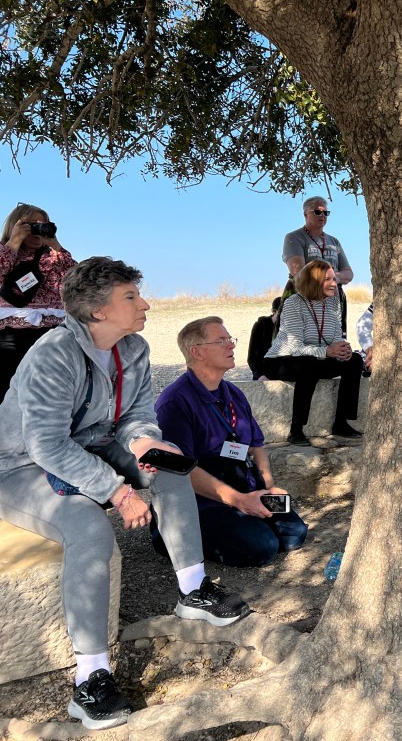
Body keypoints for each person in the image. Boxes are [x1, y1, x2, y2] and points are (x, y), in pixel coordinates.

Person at [0, 257, 249, 731]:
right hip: (19, 465)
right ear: (97, 311)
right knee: (89, 530)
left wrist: (144, 442)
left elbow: (135, 415)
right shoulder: (53, 354)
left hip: (92, 445)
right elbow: (46, 443)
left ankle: (193, 590)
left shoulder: (133, 348)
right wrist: (117, 491)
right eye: (131, 298)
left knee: (171, 469)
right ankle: (91, 679)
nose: (146, 304)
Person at [155, 316, 308, 566]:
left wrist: (268, 487)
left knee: (294, 534)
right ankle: (167, 533)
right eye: (222, 340)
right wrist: (239, 501)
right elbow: (181, 469)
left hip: (244, 482)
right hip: (203, 495)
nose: (232, 345)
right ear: (197, 352)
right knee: (263, 547)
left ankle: (246, 517)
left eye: (230, 339)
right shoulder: (175, 402)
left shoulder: (233, 392)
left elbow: (256, 444)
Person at [263, 259, 364, 445]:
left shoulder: (333, 302)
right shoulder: (294, 303)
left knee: (355, 361)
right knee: (308, 366)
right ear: (314, 281)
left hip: (316, 357)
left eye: (335, 279)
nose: (335, 284)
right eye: (328, 280)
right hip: (281, 360)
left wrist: (342, 349)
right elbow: (295, 348)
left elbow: (335, 336)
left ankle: (342, 423)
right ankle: (296, 429)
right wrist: (327, 351)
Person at [0, 203, 77, 397]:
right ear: (16, 225)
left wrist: (54, 244)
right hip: (9, 334)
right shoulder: (6, 252)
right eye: (32, 225)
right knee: (7, 387)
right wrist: (14, 242)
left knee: (47, 390)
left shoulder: (53, 256)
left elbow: (75, 278)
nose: (37, 229)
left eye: (43, 224)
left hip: (50, 332)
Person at [281, 196, 354, 332]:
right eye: (317, 212)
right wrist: (324, 280)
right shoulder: (294, 238)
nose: (322, 216)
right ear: (305, 214)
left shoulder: (334, 241)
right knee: (299, 344)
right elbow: (298, 272)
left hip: (333, 299)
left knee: (335, 342)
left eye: (326, 213)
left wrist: (334, 278)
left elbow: (349, 273)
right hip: (304, 296)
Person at [247, 296, 281, 380]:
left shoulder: (290, 328)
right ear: (273, 311)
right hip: (263, 377)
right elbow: (252, 357)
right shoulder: (260, 326)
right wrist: (260, 375)